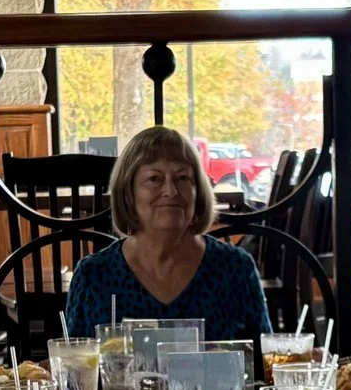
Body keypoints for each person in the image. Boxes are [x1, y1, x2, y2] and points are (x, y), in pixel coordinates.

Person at [64, 126, 272, 342]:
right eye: (155, 178)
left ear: (198, 191)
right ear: (128, 192)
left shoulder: (236, 269)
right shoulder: (93, 276)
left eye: (183, 178)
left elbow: (263, 358)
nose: (171, 191)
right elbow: (75, 360)